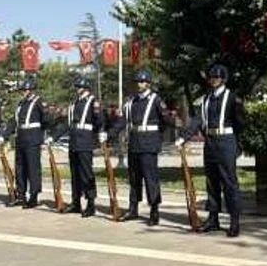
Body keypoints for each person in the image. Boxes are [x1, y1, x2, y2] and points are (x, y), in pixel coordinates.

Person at [177, 64, 245, 237]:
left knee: (229, 183)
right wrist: (184, 137)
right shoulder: (206, 99)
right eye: (211, 77)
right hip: (210, 143)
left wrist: (237, 144)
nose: (213, 80)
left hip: (226, 141)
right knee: (211, 182)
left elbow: (240, 123)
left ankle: (234, 220)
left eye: (217, 77)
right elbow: (197, 121)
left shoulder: (232, 98)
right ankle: (213, 218)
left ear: (223, 79)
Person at [113, 70, 172, 226]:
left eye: (142, 81)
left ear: (148, 83)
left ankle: (154, 210)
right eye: (137, 82)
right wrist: (109, 133)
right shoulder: (131, 101)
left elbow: (165, 121)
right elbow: (122, 121)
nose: (139, 84)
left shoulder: (156, 100)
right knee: (134, 179)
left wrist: (157, 137)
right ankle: (133, 209)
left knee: (150, 178)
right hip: (134, 144)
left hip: (149, 145)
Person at [63, 76, 105, 217]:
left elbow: (99, 121)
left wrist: (100, 133)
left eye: (79, 87)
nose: (77, 89)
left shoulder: (93, 102)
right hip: (74, 141)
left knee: (86, 173)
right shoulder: (74, 103)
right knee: (75, 174)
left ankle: (90, 203)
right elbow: (68, 123)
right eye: (77, 87)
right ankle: (76, 202)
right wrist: (54, 136)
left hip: (85, 141)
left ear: (86, 88)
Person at [9, 76, 51, 209]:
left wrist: (42, 135)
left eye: (25, 90)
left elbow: (46, 120)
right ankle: (21, 195)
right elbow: (14, 121)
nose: (22, 92)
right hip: (21, 137)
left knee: (33, 167)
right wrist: (3, 135)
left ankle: (33, 195)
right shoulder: (21, 104)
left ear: (31, 90)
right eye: (22, 90)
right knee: (20, 167)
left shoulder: (39, 102)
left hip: (33, 137)